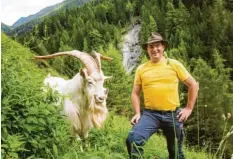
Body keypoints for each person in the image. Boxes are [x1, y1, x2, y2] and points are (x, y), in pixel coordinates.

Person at [125, 33, 199, 159]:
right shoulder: (141, 69)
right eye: (151, 47)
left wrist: (189, 108)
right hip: (150, 114)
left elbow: (193, 84)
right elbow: (135, 93)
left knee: (175, 152)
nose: (154, 49)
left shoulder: (174, 64)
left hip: (172, 114)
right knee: (133, 140)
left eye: (157, 45)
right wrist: (137, 113)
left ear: (163, 47)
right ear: (147, 49)